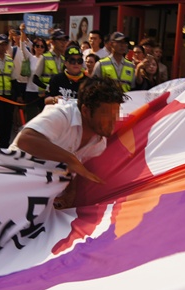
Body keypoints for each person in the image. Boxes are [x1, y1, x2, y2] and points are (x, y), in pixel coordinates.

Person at [10, 76, 127, 209]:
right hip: (13, 181)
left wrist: (71, 192)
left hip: (42, 194)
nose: (113, 121)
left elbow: (75, 167)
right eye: (106, 114)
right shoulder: (62, 114)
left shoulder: (98, 144)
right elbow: (25, 140)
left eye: (116, 113)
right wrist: (70, 158)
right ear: (86, 111)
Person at [33, 29, 68, 99]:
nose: (63, 43)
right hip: (45, 96)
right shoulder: (44, 57)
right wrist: (47, 87)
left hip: (59, 96)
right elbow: (35, 79)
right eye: (60, 40)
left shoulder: (63, 59)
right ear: (53, 42)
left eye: (64, 40)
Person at [21, 35, 47, 122]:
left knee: (43, 117)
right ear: (34, 47)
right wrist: (22, 32)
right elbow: (22, 47)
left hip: (43, 92)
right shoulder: (31, 58)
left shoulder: (47, 59)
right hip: (30, 92)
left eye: (42, 46)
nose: (39, 48)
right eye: (37, 46)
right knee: (31, 117)